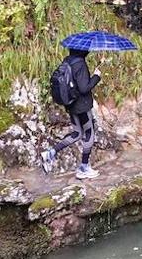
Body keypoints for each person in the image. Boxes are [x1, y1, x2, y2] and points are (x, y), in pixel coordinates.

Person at [40, 48, 101, 179]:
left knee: (77, 133)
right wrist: (96, 76)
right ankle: (84, 168)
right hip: (82, 107)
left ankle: (51, 152)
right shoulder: (80, 64)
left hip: (71, 105)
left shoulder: (67, 61)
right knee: (89, 133)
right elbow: (84, 88)